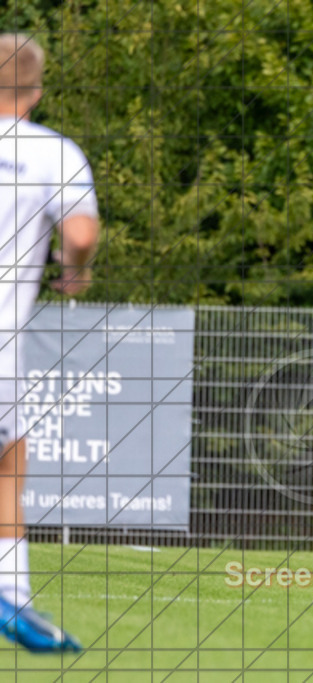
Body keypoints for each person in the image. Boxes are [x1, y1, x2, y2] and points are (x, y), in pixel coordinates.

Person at [0, 33, 100, 652]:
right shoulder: (51, 152)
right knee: (8, 463)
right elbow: (81, 234)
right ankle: (13, 599)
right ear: (36, 92)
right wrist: (76, 271)